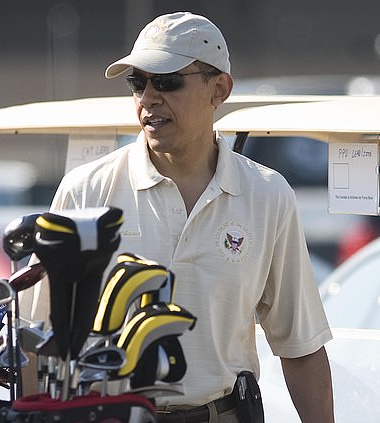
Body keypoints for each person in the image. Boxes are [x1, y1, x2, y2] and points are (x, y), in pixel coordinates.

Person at [19, 11, 334, 423]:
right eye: (138, 82)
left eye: (167, 81)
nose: (148, 97)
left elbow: (302, 346)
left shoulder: (268, 194)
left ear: (219, 88)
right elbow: (32, 338)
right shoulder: (86, 190)